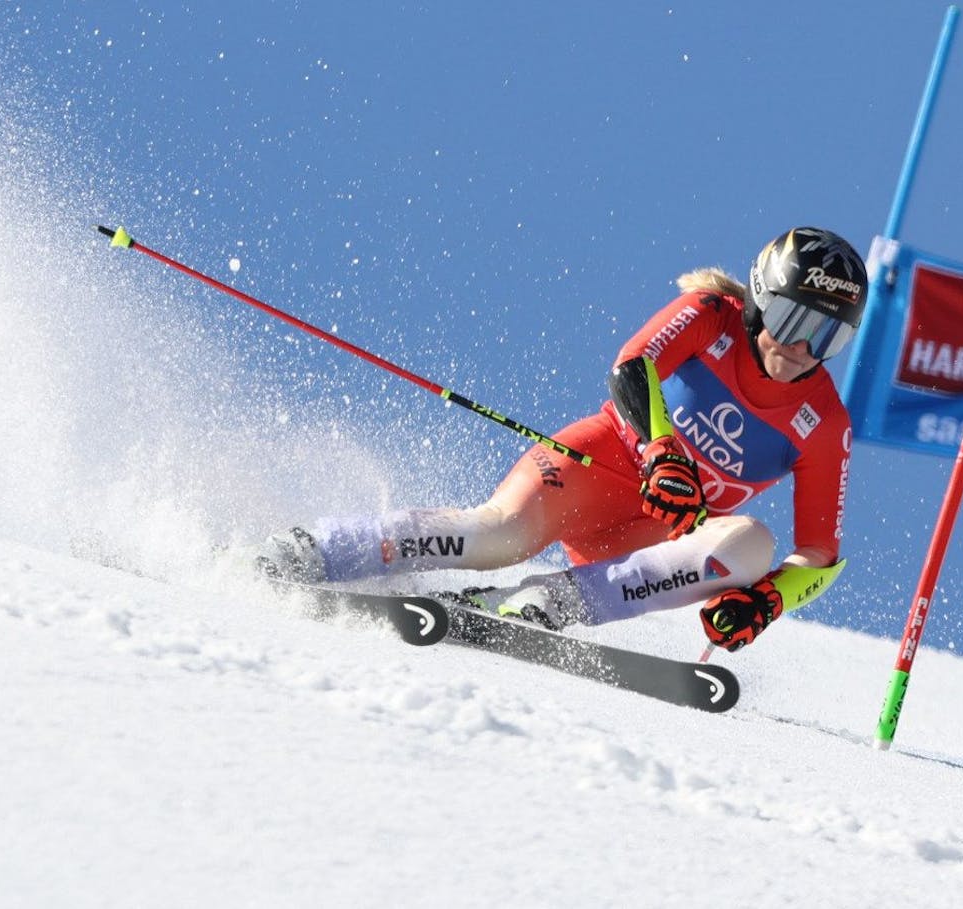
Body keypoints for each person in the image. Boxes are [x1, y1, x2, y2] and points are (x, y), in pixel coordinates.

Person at [256, 226, 867, 652]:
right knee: (497, 534)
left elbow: (819, 556)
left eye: (827, 338)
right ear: (760, 302)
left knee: (753, 545)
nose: (800, 350)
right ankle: (324, 548)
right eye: (793, 321)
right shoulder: (712, 316)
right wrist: (661, 450)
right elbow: (634, 366)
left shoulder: (824, 422)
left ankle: (548, 603)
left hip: (654, 535)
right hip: (594, 466)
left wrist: (768, 603)